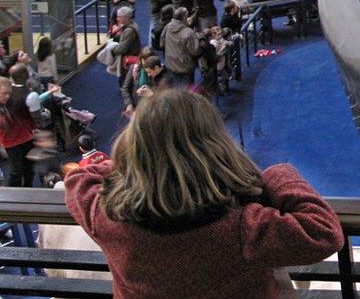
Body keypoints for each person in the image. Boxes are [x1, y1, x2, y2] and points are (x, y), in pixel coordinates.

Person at [64, 89, 344, 299]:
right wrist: (278, 174)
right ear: (215, 145)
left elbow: (79, 178)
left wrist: (142, 164)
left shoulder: (107, 217)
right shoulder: (242, 228)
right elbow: (323, 231)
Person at [163, 7, 201, 87]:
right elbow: (195, 51)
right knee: (186, 93)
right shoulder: (189, 32)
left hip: (170, 64)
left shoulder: (168, 26)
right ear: (184, 18)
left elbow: (162, 43)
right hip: (184, 67)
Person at [110, 6, 141, 85]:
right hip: (132, 55)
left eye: (119, 17)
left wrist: (111, 50)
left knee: (126, 80)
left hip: (128, 58)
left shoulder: (129, 30)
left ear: (125, 18)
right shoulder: (132, 25)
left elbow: (122, 48)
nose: (117, 19)